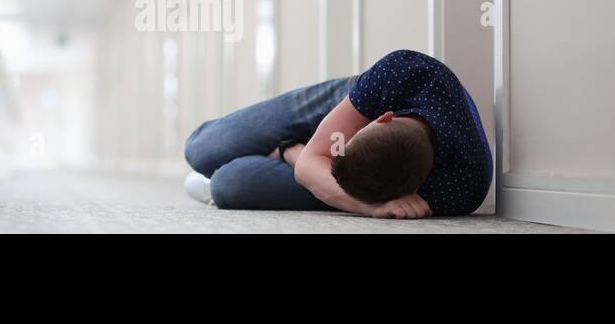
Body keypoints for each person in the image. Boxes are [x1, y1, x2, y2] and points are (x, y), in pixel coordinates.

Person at [183, 50, 492, 219]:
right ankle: (290, 148)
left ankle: (285, 152)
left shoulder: (463, 187)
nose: (338, 143)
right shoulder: (407, 70)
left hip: (371, 177)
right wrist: (302, 155)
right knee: (200, 149)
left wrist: (368, 205)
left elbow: (321, 169)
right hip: (348, 103)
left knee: (228, 184)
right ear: (383, 118)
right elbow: (310, 165)